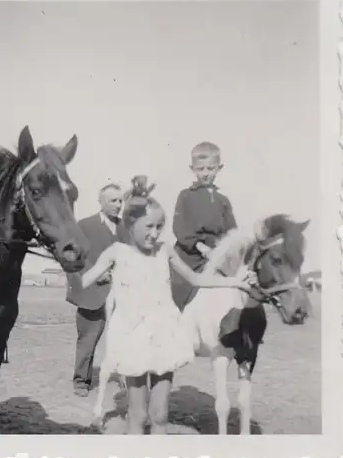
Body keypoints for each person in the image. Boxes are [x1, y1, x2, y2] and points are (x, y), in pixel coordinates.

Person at [68, 177, 255, 434]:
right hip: (133, 337)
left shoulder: (165, 250)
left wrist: (236, 281)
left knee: (160, 413)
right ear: (131, 224)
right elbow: (81, 282)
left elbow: (196, 278)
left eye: (159, 227)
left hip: (164, 335)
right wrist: (68, 264)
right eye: (148, 227)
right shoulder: (116, 253)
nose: (154, 233)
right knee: (138, 413)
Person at [66, 183, 128, 396]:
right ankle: (81, 381)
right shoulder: (84, 225)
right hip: (93, 293)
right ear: (100, 202)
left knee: (125, 337)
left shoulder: (127, 227)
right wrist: (96, 273)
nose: (118, 205)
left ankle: (127, 377)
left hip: (122, 294)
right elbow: (73, 257)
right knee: (88, 338)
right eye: (113, 200)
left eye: (120, 200)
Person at [171, 141, 237, 311]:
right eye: (200, 169)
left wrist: (224, 251)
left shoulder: (223, 201)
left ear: (219, 168)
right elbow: (180, 228)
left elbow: (232, 232)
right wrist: (200, 247)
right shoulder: (185, 196)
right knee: (178, 292)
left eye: (210, 168)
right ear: (192, 169)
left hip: (217, 255)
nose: (205, 174)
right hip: (189, 255)